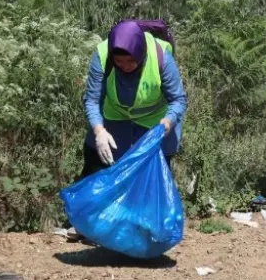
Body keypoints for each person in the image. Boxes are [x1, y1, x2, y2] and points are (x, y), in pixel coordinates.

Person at [68, 19, 188, 241]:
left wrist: (165, 125)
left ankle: (147, 227)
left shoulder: (161, 58)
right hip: (116, 113)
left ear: (141, 53)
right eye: (119, 61)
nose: (124, 66)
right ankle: (90, 223)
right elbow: (92, 99)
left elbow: (178, 100)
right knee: (100, 162)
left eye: (130, 61)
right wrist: (99, 131)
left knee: (153, 169)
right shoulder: (102, 56)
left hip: (156, 119)